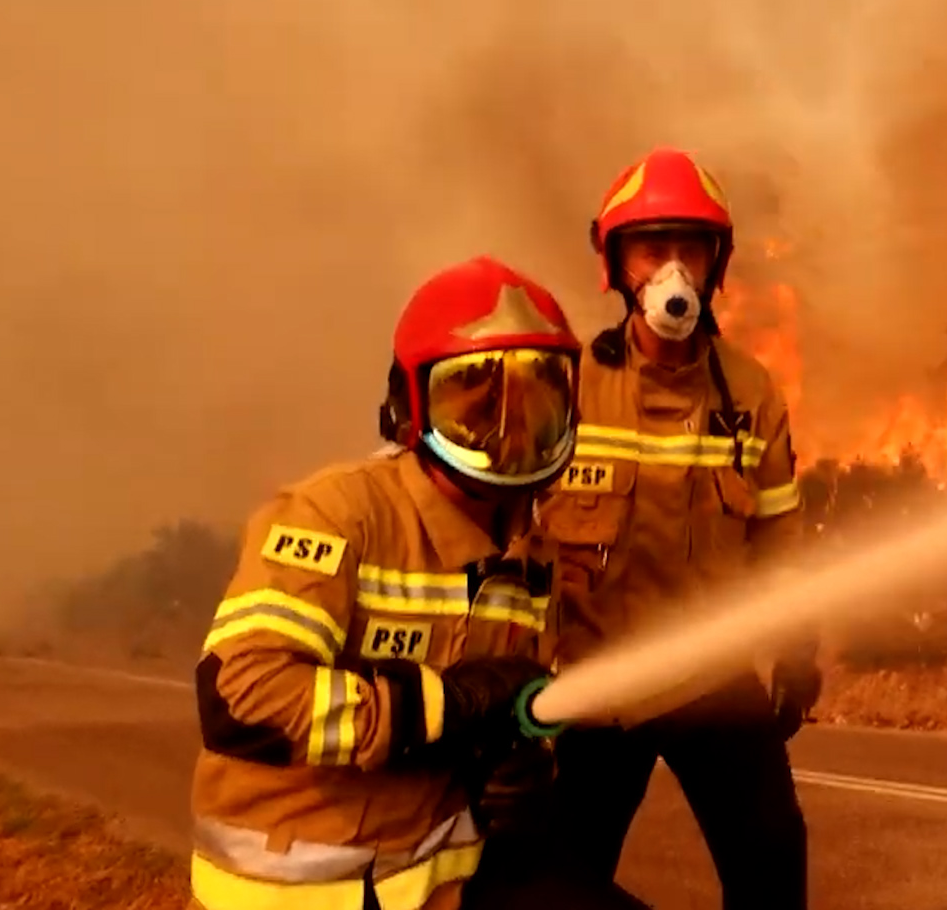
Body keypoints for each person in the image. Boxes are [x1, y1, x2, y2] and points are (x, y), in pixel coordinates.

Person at [188, 255, 649, 910]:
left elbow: (514, 701)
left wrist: (521, 765)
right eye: (478, 397)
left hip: (443, 877)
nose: (510, 427)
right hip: (299, 891)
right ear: (410, 406)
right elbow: (242, 700)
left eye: (539, 395)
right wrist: (446, 705)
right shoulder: (336, 515)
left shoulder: (530, 551)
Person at [533, 149, 819, 910]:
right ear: (616, 262)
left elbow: (780, 541)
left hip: (711, 679)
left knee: (772, 863)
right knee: (560, 879)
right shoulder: (566, 385)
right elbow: (513, 534)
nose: (671, 269)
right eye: (651, 248)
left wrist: (795, 648)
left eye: (688, 248)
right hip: (597, 686)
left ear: (715, 263)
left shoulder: (752, 394)